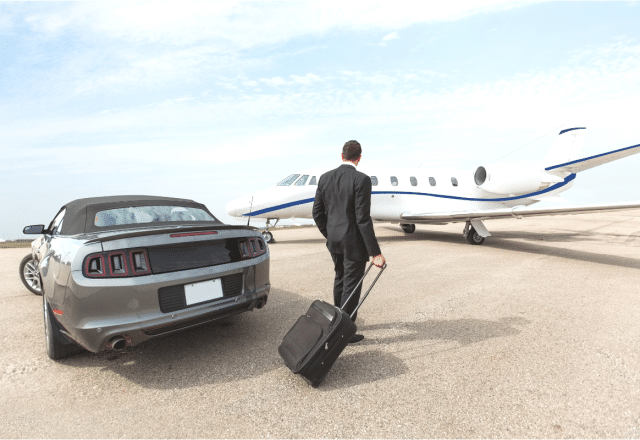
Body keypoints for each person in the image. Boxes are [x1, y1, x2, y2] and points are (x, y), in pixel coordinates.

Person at [312, 140, 386, 344]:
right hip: (353, 242)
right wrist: (375, 252)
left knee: (340, 280)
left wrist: (330, 234)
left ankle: (337, 322)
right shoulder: (361, 180)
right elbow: (362, 218)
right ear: (359, 158)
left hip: (334, 241)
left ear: (342, 155)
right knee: (351, 286)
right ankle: (344, 332)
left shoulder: (325, 178)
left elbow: (317, 212)